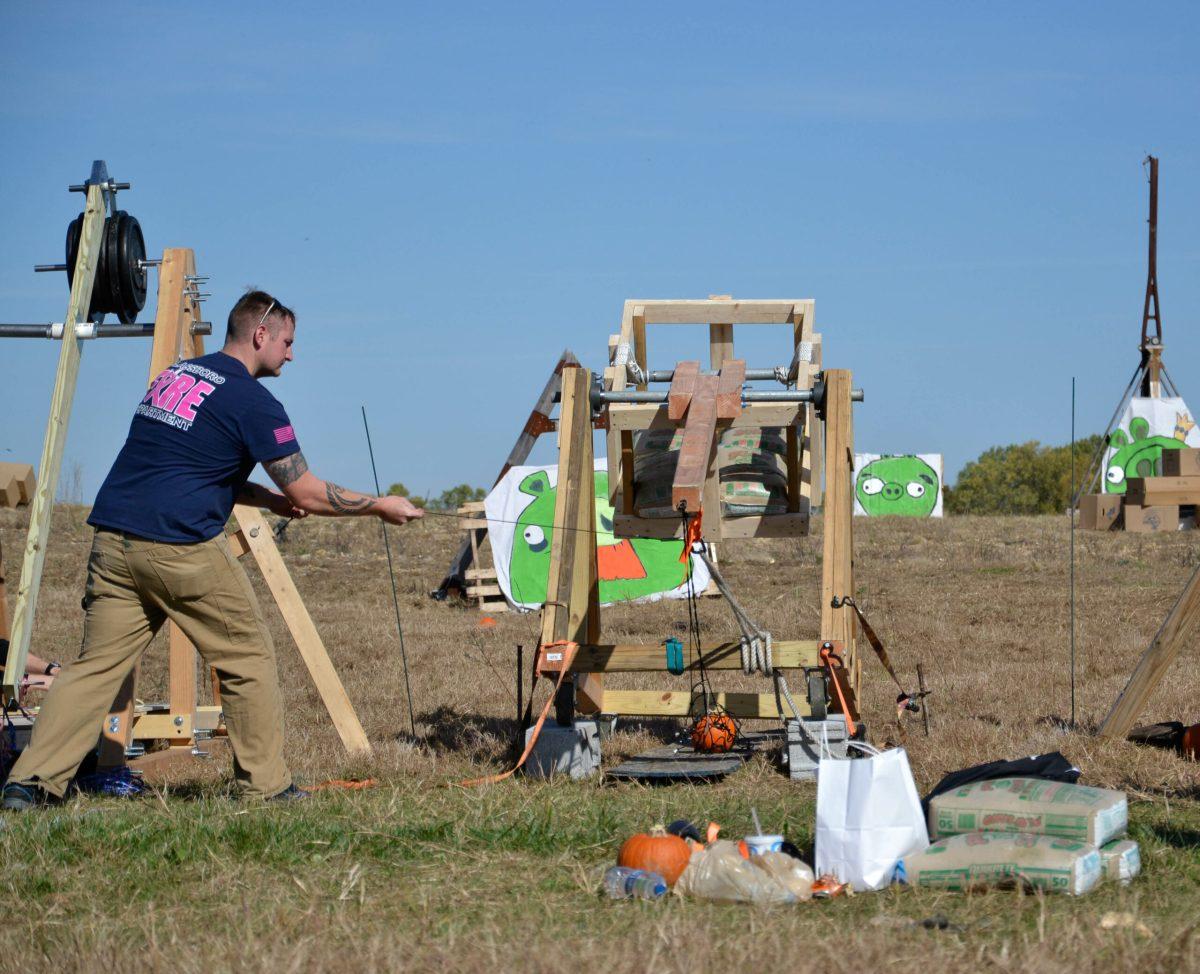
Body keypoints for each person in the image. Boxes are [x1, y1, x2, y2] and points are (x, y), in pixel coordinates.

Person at [1, 291, 422, 810]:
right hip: (179, 546)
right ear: (260, 335)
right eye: (288, 343)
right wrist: (380, 505)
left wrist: (264, 497)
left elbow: (191, 463)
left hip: (113, 539)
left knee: (94, 670)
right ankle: (267, 790)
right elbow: (308, 491)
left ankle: (29, 785)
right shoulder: (254, 401)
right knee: (248, 656)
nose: (292, 355)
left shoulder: (176, 377)